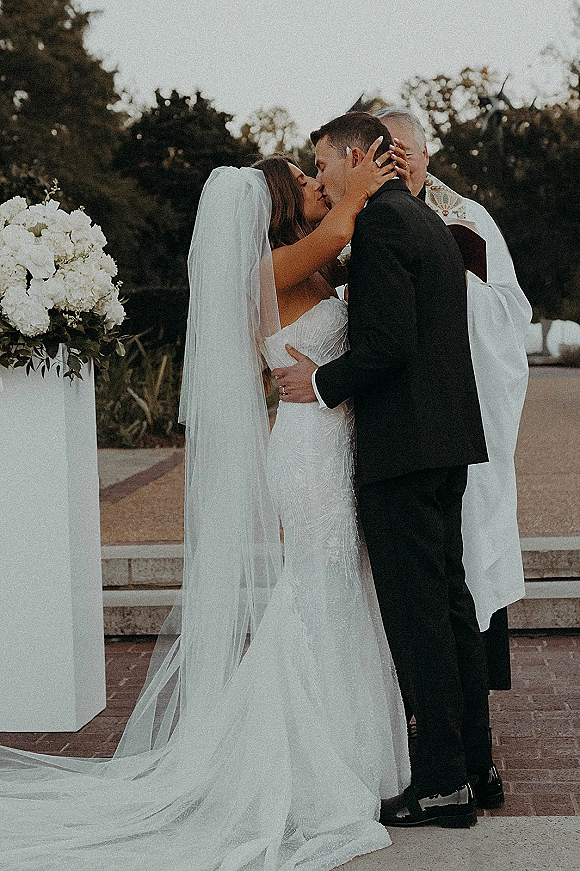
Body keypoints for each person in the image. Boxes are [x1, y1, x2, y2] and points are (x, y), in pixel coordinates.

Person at [0, 147, 413, 870]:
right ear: (278, 204)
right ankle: (311, 758)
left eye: (318, 175)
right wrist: (369, 178)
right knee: (318, 589)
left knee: (342, 588)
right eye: (306, 181)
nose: (319, 185)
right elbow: (345, 224)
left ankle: (354, 750)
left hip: (337, 441)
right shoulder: (269, 270)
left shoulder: (314, 267)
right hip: (308, 452)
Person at [273, 111, 495, 828]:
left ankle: (441, 785)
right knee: (451, 607)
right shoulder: (421, 216)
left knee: (419, 620)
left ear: (356, 155)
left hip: (403, 450)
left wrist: (323, 382)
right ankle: (475, 768)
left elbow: (389, 344)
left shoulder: (379, 226)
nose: (323, 175)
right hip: (445, 443)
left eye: (323, 162)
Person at [377, 107, 533, 808]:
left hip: (459, 428)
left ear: (427, 152)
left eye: (406, 150)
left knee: (455, 598)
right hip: (412, 431)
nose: (398, 160)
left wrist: (447, 282)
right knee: (428, 599)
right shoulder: (369, 219)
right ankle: (433, 755)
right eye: (386, 150)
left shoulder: (465, 219)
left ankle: (472, 759)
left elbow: (509, 315)